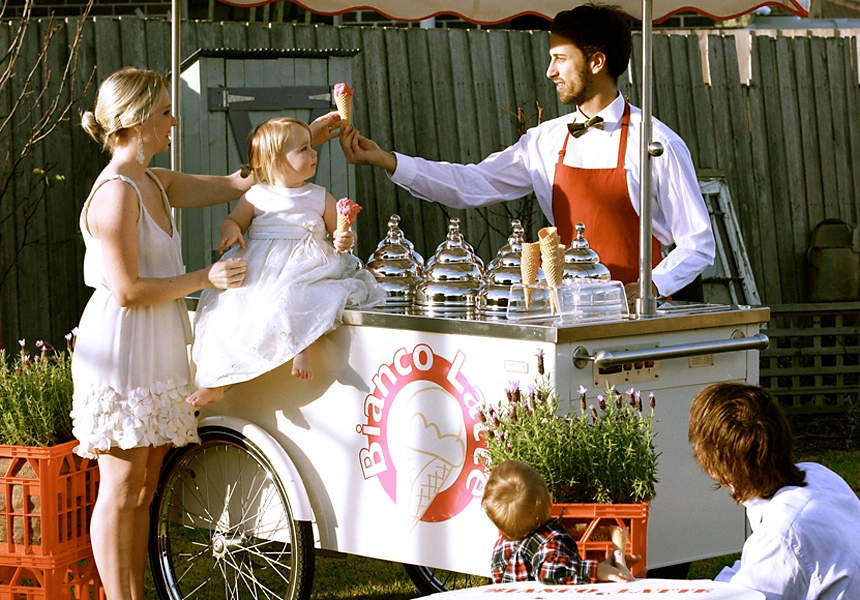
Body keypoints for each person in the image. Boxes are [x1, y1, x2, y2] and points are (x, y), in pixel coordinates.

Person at [71, 67, 341, 600]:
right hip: (124, 345)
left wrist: (303, 139)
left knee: (144, 488)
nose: (174, 121)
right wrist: (205, 278)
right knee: (121, 487)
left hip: (158, 338)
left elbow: (242, 183)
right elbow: (126, 290)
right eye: (165, 112)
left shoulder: (155, 181)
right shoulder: (117, 194)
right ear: (137, 121)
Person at [340, 2, 714, 304]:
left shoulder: (656, 142)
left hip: (638, 320)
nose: (550, 71)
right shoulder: (545, 140)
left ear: (597, 62)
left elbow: (697, 243)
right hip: (567, 311)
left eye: (560, 58)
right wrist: (389, 160)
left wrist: (651, 286)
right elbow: (471, 183)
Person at [186, 117, 385, 407]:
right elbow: (233, 220)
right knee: (227, 308)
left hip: (307, 264)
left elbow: (340, 231)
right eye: (304, 149)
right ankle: (218, 380)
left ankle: (302, 347)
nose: (314, 152)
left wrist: (344, 238)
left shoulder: (318, 196)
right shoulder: (256, 195)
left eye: (311, 146)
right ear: (276, 162)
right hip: (262, 266)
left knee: (300, 294)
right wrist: (231, 230)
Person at [688, 383, 860, 600]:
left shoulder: (781, 533)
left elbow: (749, 594)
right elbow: (751, 572)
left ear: (713, 463)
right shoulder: (820, 477)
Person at [482, 460, 639, 585]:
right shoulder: (551, 540)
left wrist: (605, 567)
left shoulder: (501, 547)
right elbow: (552, 572)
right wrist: (597, 571)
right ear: (550, 500)